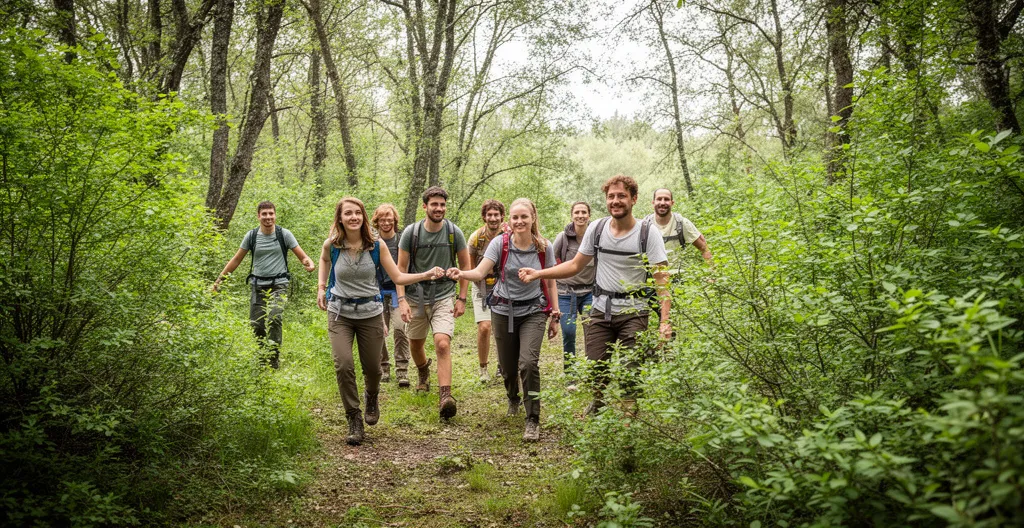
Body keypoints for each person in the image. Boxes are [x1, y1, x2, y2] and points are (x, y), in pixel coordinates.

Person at [520, 175, 671, 415]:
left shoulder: (647, 233)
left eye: (621, 196)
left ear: (634, 199)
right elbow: (575, 265)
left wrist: (665, 321)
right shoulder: (597, 228)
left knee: (630, 370)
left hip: (635, 311)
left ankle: (628, 419)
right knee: (596, 366)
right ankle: (598, 402)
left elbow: (662, 280)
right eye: (611, 196)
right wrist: (539, 273)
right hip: (600, 310)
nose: (616, 201)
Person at [317, 197, 445, 446]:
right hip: (339, 313)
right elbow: (324, 261)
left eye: (357, 213)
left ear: (364, 217)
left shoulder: (376, 246)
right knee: (343, 365)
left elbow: (397, 275)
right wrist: (322, 287)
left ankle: (372, 397)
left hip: (370, 313)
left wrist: (426, 274)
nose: (353, 217)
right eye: (348, 214)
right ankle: (354, 418)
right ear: (340, 218)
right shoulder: (332, 245)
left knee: (374, 369)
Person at [447, 198, 559, 442]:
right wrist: (461, 272)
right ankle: (512, 397)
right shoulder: (500, 243)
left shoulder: (543, 247)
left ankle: (533, 419)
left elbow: (550, 280)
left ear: (533, 219)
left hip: (533, 310)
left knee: (528, 363)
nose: (519, 221)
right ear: (510, 219)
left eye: (524, 217)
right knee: (508, 368)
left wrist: (555, 314)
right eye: (515, 217)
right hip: (502, 309)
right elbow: (480, 271)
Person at [396, 186, 471, 420]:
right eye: (435, 204)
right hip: (415, 296)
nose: (439, 208)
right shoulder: (412, 232)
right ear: (425, 206)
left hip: (444, 295)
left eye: (442, 204)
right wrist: (401, 300)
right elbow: (400, 269)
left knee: (442, 343)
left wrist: (461, 298)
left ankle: (445, 397)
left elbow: (465, 267)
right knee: (415, 345)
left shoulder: (453, 232)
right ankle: (423, 372)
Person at [213, 201, 315, 368]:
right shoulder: (251, 236)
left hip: (279, 284)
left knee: (274, 317)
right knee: (256, 323)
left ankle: (273, 359)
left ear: (275, 215)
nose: (268, 217)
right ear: (258, 216)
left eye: (271, 214)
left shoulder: (284, 234)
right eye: (264, 214)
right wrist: (219, 281)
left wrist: (308, 262)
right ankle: (262, 357)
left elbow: (302, 255)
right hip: (258, 284)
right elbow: (237, 259)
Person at [644, 188, 713, 325]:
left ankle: (671, 340)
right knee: (653, 320)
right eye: (659, 199)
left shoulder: (681, 223)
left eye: (666, 199)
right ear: (653, 202)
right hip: (651, 280)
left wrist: (711, 273)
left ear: (672, 202)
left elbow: (703, 247)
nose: (662, 202)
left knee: (676, 321)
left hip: (677, 280)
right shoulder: (645, 225)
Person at [551, 201, 596, 382]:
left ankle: (593, 371)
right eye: (577, 212)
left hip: (589, 292)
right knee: (569, 332)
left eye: (584, 212)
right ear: (572, 216)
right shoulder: (562, 238)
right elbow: (551, 263)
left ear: (589, 215)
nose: (580, 215)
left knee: (592, 331)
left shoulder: (596, 236)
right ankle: (571, 374)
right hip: (565, 292)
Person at [372, 203, 411, 387]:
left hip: (399, 291)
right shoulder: (372, 242)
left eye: (389, 219)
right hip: (377, 290)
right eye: (382, 219)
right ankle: (383, 367)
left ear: (395, 220)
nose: (386, 222)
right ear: (377, 221)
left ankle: (402, 370)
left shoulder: (401, 241)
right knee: (378, 330)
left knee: (400, 329)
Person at [466, 199, 506, 382]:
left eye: (496, 215)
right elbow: (470, 266)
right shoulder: (476, 238)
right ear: (484, 217)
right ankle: (483, 368)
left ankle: (502, 364)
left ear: (502, 216)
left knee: (502, 328)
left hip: (504, 288)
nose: (493, 218)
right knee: (485, 327)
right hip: (481, 287)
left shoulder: (508, 235)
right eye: (489, 215)